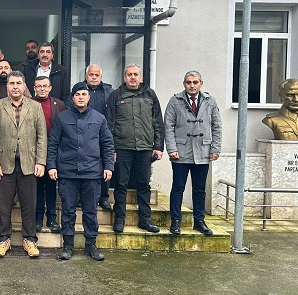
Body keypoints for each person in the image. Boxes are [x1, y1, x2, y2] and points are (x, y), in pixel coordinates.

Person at [48, 82, 114, 261]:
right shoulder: (61, 118)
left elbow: (107, 144)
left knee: (90, 211)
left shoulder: (99, 118)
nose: (81, 97)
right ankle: (67, 245)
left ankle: (90, 244)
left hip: (92, 173)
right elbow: (53, 143)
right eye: (77, 94)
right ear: (72, 97)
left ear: (89, 97)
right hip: (68, 173)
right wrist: (51, 166)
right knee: (68, 211)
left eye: (84, 94)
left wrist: (108, 166)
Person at [0, 71, 48, 258]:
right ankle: (3, 240)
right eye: (11, 83)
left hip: (29, 164)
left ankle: (30, 239)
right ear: (7, 86)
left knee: (29, 205)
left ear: (24, 86)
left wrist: (41, 162)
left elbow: (42, 137)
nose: (15, 87)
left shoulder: (35, 107)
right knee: (4, 206)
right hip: (4, 165)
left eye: (18, 83)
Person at [106, 65, 164, 234]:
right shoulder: (116, 95)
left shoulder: (150, 94)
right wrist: (111, 149)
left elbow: (157, 122)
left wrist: (158, 146)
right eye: (129, 74)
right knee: (121, 185)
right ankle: (119, 219)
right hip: (122, 147)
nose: (132, 77)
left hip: (145, 148)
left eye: (135, 74)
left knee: (144, 185)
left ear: (140, 77)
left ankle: (145, 220)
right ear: (124, 77)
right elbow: (109, 124)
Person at [164, 71, 222, 236]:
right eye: (188, 82)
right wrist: (172, 148)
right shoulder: (175, 101)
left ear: (201, 83)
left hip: (203, 151)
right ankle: (176, 221)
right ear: (184, 84)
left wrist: (215, 148)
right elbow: (168, 125)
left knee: (199, 189)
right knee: (178, 188)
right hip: (181, 152)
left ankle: (199, 221)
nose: (192, 85)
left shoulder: (210, 101)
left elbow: (217, 126)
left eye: (195, 82)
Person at [66, 64, 114, 209]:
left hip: (102, 132)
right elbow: (70, 110)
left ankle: (103, 197)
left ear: (101, 77)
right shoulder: (78, 92)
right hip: (82, 135)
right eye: (91, 75)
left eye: (96, 75)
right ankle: (82, 198)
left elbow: (113, 115)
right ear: (86, 76)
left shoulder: (109, 92)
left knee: (103, 166)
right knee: (84, 167)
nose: (94, 77)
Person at [32, 75, 65, 233]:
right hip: (34, 151)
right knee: (37, 186)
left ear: (50, 88)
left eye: (45, 86)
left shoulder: (59, 105)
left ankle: (52, 218)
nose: (42, 89)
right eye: (39, 86)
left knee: (51, 186)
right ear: (34, 88)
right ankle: (38, 218)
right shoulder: (29, 103)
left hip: (53, 150)